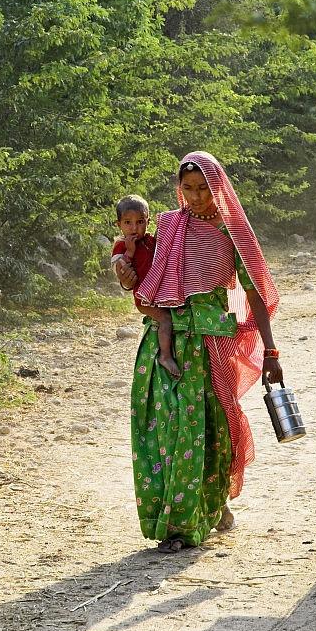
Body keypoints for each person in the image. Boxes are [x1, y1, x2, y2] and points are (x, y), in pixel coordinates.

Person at [114, 151, 283, 552]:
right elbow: (146, 280)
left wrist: (271, 351)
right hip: (165, 338)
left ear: (217, 186)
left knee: (211, 426)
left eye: (202, 188)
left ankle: (209, 505)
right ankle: (173, 523)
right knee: (161, 429)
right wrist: (124, 275)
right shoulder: (169, 227)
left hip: (210, 342)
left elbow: (254, 293)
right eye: (187, 188)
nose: (194, 196)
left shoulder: (232, 231)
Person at [112, 194, 180, 378]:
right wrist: (130, 253)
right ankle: (165, 357)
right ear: (119, 225)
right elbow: (121, 270)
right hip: (144, 299)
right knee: (165, 319)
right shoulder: (120, 246)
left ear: (148, 221)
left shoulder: (150, 241)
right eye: (128, 222)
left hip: (161, 293)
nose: (134, 228)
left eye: (140, 221)